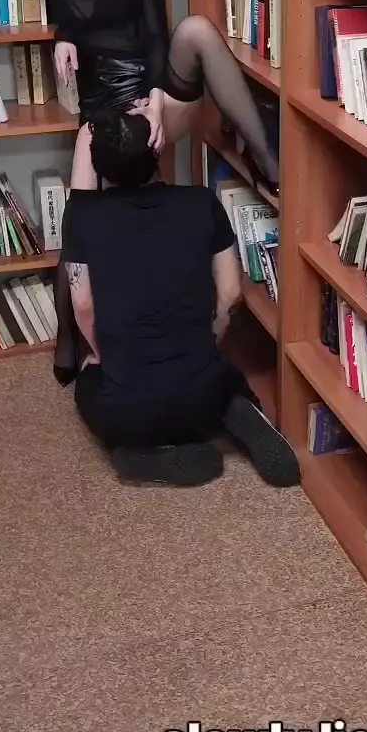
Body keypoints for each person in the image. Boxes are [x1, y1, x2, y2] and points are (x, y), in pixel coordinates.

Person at [14, 0, 281, 382]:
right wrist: (63, 36)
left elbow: (155, 28)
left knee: (196, 30)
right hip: (103, 111)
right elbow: (73, 9)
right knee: (81, 217)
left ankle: (267, 161)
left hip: (152, 88)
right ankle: (69, 340)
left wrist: (157, 94)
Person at [60, 107, 298, 488]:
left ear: (101, 167)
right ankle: (238, 413)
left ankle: (137, 458)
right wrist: (211, 340)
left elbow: (83, 305)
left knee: (87, 389)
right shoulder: (202, 202)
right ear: (158, 150)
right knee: (224, 377)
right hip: (202, 401)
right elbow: (231, 292)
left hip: (131, 415)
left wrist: (100, 355)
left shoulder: (82, 218)